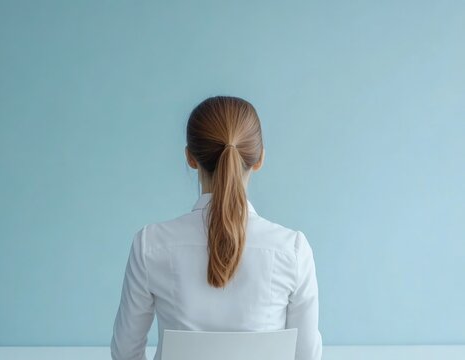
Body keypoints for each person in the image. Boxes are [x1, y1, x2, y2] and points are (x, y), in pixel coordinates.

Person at [110, 96, 322, 360]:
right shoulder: (293, 249)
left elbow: (125, 352)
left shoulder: (150, 245)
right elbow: (306, 355)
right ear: (259, 159)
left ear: (190, 157)